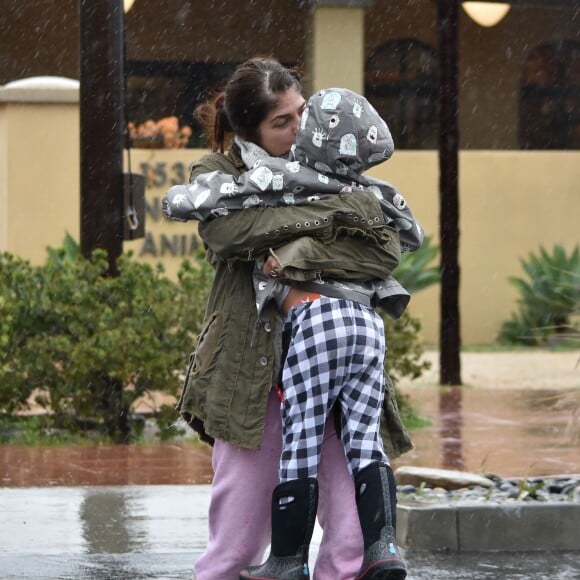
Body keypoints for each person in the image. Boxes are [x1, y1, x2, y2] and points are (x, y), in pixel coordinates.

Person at [165, 58, 413, 580]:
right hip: (250, 378)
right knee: (236, 546)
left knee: (350, 544)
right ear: (248, 129)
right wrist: (333, 213)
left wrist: (292, 237)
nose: (300, 129)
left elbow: (384, 250)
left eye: (302, 112)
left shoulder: (337, 165)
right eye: (282, 122)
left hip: (337, 369)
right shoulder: (219, 176)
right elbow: (228, 235)